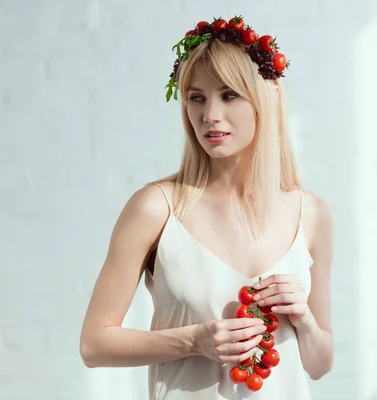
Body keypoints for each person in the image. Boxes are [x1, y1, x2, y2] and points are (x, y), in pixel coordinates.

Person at [79, 15, 335, 400]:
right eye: (197, 97)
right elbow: (94, 345)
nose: (209, 115)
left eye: (228, 95)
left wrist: (304, 321)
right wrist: (193, 341)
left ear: (265, 100)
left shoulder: (311, 215)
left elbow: (319, 364)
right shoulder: (156, 208)